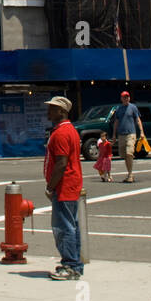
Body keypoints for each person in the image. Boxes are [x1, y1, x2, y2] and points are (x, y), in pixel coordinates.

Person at [43, 96, 84, 280]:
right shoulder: (70, 130)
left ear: (62, 111)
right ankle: (75, 263)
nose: (48, 112)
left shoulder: (60, 134)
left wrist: (50, 187)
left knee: (64, 227)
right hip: (71, 183)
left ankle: (70, 265)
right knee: (72, 225)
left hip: (64, 185)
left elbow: (61, 163)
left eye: (52, 108)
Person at [109, 91, 146, 183]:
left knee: (129, 153)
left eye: (127, 97)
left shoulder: (133, 107)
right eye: (124, 97)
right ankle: (130, 173)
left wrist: (142, 132)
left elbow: (138, 120)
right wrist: (114, 135)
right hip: (121, 135)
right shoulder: (119, 109)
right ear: (121, 98)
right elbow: (116, 122)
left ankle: (130, 174)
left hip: (131, 134)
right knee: (124, 155)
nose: (126, 98)